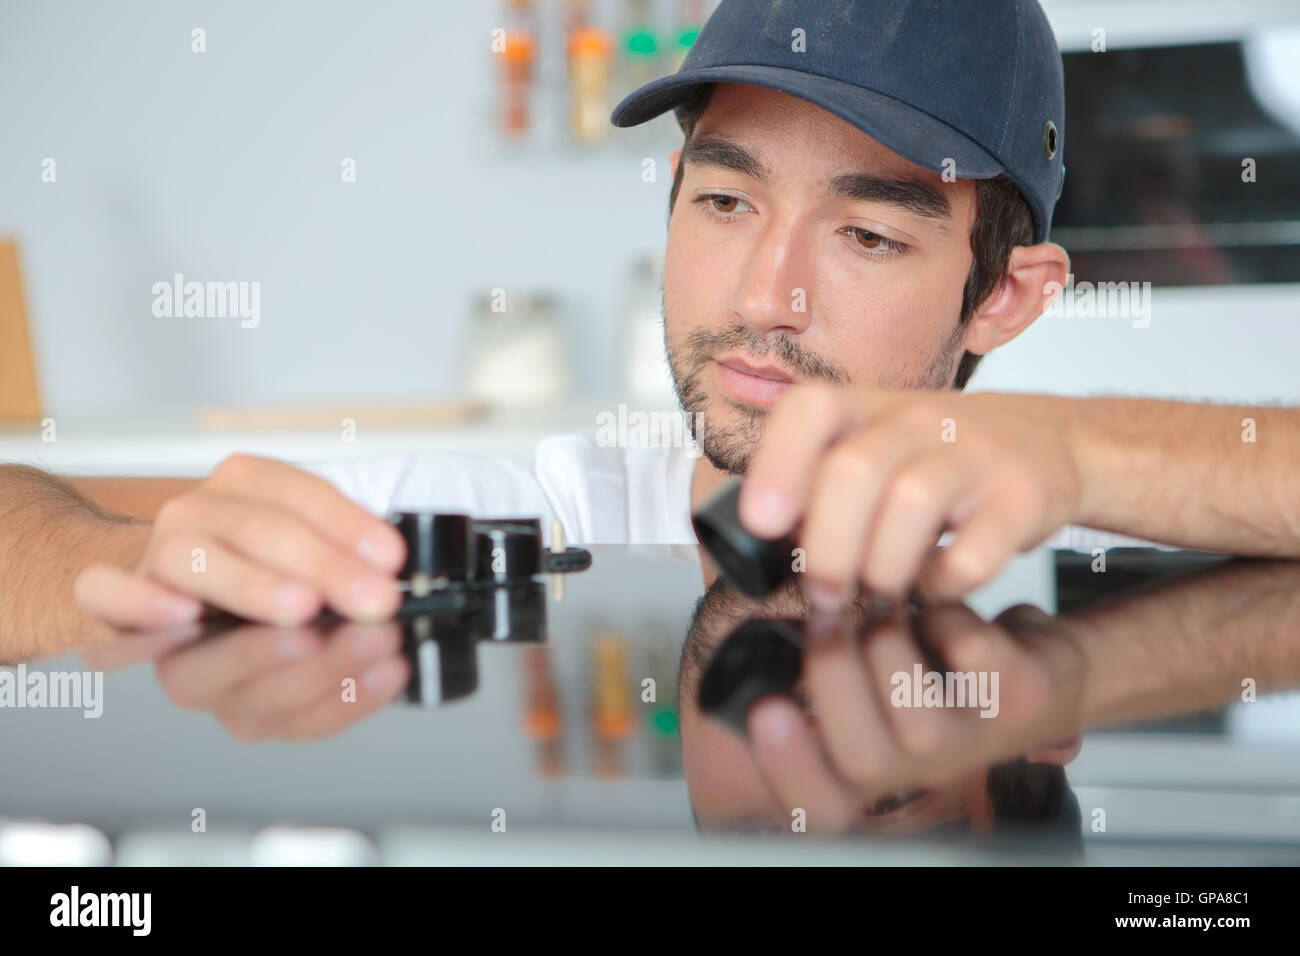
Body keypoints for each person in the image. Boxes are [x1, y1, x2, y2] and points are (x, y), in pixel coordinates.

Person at [2, 0, 1298, 663]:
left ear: (1002, 297)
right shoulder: (512, 516)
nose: (763, 295)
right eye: (727, 201)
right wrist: (113, 574)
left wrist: (1070, 455)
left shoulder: (1098, 555)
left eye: (868, 235)